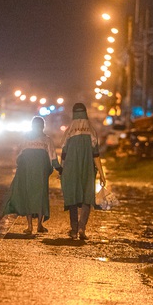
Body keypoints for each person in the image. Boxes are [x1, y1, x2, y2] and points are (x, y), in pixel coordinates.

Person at [2, 116, 60, 234]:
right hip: (41, 173)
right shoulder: (47, 139)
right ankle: (39, 225)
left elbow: (19, 156)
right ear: (43, 127)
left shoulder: (25, 139)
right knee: (41, 196)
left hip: (27, 172)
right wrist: (59, 168)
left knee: (28, 195)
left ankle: (29, 227)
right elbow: (53, 157)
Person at [60, 103, 106, 240]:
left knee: (72, 197)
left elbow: (63, 154)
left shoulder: (69, 132)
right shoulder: (91, 131)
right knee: (87, 197)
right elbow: (96, 155)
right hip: (87, 169)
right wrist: (102, 175)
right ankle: (82, 227)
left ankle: (74, 229)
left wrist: (61, 171)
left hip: (71, 169)